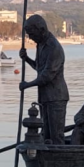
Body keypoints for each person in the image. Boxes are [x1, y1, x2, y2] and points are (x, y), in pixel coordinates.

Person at [18, 14, 68, 144]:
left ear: (41, 30)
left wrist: (27, 85)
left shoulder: (53, 48)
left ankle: (58, 162)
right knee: (46, 135)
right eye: (28, 34)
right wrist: (27, 59)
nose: (30, 38)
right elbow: (40, 68)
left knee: (56, 136)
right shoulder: (40, 45)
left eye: (32, 34)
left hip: (56, 97)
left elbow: (47, 76)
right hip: (45, 97)